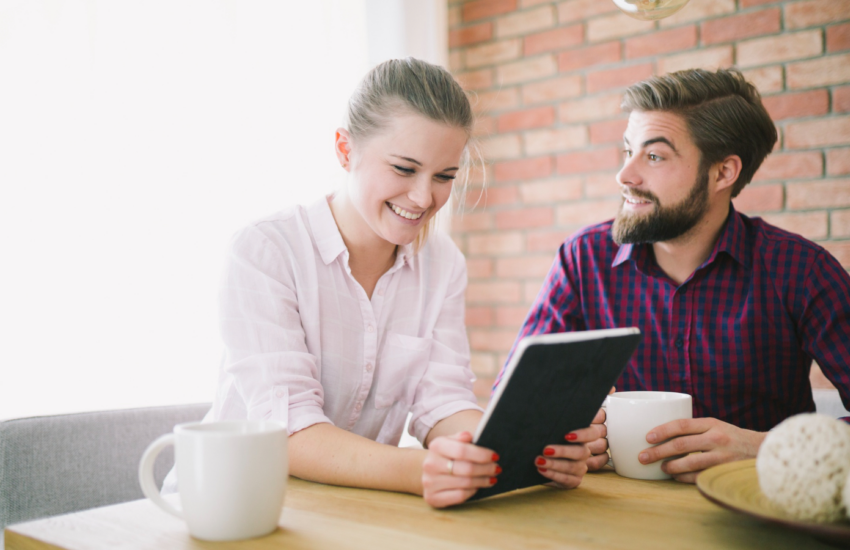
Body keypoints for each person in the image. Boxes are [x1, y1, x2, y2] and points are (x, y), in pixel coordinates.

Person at [163, 58, 601, 508]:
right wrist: (420, 470)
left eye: (445, 176)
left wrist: (518, 450)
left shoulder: (443, 263)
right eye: (404, 169)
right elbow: (287, 430)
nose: (423, 197)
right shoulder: (265, 250)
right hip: (225, 506)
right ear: (344, 150)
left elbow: (443, 402)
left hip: (343, 509)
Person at [497, 68, 850, 483]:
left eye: (654, 156)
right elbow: (511, 407)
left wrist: (764, 447)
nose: (625, 175)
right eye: (627, 151)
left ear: (723, 173)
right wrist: (572, 435)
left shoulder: (798, 269)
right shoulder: (583, 260)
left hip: (753, 516)